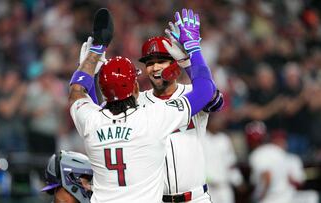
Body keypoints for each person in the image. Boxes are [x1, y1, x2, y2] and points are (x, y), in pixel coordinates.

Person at [69, 9, 216, 202]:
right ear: (136, 87)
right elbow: (205, 90)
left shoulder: (92, 121)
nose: (155, 67)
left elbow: (77, 93)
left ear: (103, 92)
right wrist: (192, 49)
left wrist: (91, 60)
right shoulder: (151, 118)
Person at [136, 19, 223, 203]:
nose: (155, 67)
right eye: (150, 63)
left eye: (162, 61)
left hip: (196, 198)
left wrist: (188, 62)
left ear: (174, 63)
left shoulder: (193, 93)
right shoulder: (138, 102)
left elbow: (216, 102)